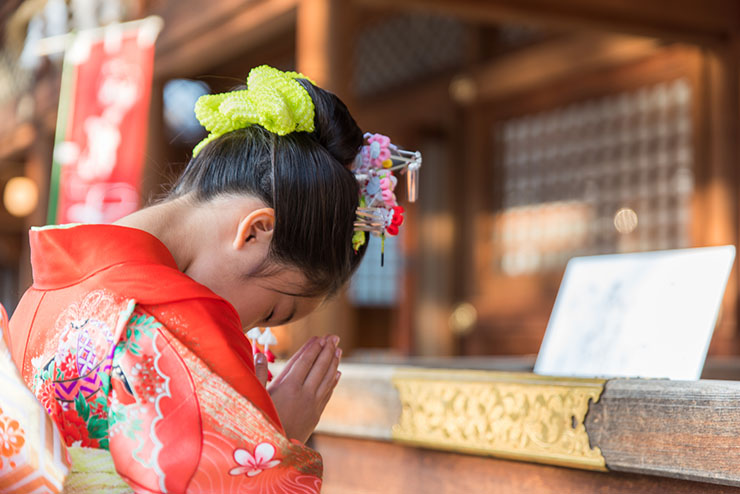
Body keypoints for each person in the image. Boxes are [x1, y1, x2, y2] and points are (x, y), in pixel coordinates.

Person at [6, 66, 416, 493]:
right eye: (273, 311)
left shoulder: (44, 292)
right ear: (255, 230)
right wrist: (276, 442)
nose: (247, 330)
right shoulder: (174, 323)